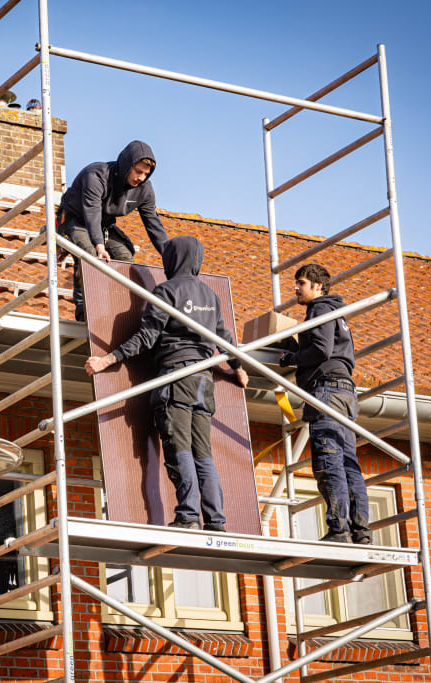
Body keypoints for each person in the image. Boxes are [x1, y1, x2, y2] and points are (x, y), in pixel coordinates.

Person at [84, 236, 248, 531]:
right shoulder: (211, 296)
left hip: (176, 378)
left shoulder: (167, 291)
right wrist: (238, 367)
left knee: (180, 449)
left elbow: (146, 338)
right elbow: (224, 339)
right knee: (203, 453)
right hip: (203, 381)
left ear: (171, 260)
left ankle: (187, 516)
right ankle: (215, 521)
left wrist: (108, 360)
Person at [278, 263, 371, 544]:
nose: (295, 288)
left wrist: (292, 359)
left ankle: (339, 529)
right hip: (344, 391)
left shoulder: (319, 309)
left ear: (318, 286)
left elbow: (321, 349)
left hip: (326, 391)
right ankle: (361, 530)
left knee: (329, 459)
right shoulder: (336, 312)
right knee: (347, 460)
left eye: (301, 283)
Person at [58, 140, 169, 321]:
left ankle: (118, 309)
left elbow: (153, 225)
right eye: (138, 171)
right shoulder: (96, 175)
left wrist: (172, 258)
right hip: (74, 218)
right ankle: (83, 310)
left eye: (145, 174)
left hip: (104, 224)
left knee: (125, 257)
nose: (141, 178)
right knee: (89, 253)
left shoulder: (145, 190)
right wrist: (100, 246)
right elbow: (92, 211)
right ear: (127, 165)